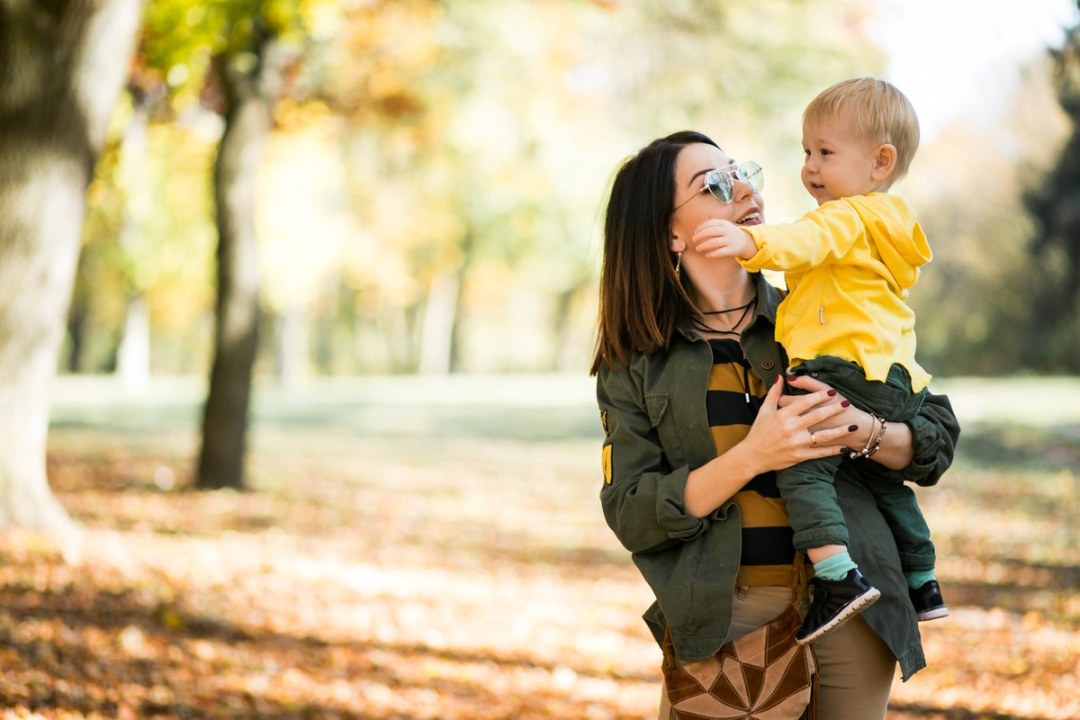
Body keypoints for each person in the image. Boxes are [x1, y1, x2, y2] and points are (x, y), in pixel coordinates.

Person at [590, 130, 960, 719]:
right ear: (670, 233)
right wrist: (753, 455)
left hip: (855, 608)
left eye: (741, 172)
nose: (741, 189)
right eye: (713, 185)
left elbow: (935, 433)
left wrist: (865, 431)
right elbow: (633, 510)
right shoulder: (635, 361)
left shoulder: (820, 306)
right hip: (721, 619)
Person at [693, 77, 947, 645]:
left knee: (802, 467)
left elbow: (801, 242)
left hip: (841, 369)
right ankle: (924, 577)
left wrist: (748, 246)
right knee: (879, 482)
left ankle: (836, 575)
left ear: (881, 161)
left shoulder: (847, 217)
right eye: (806, 151)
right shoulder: (883, 226)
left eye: (825, 152)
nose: (809, 167)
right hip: (891, 375)